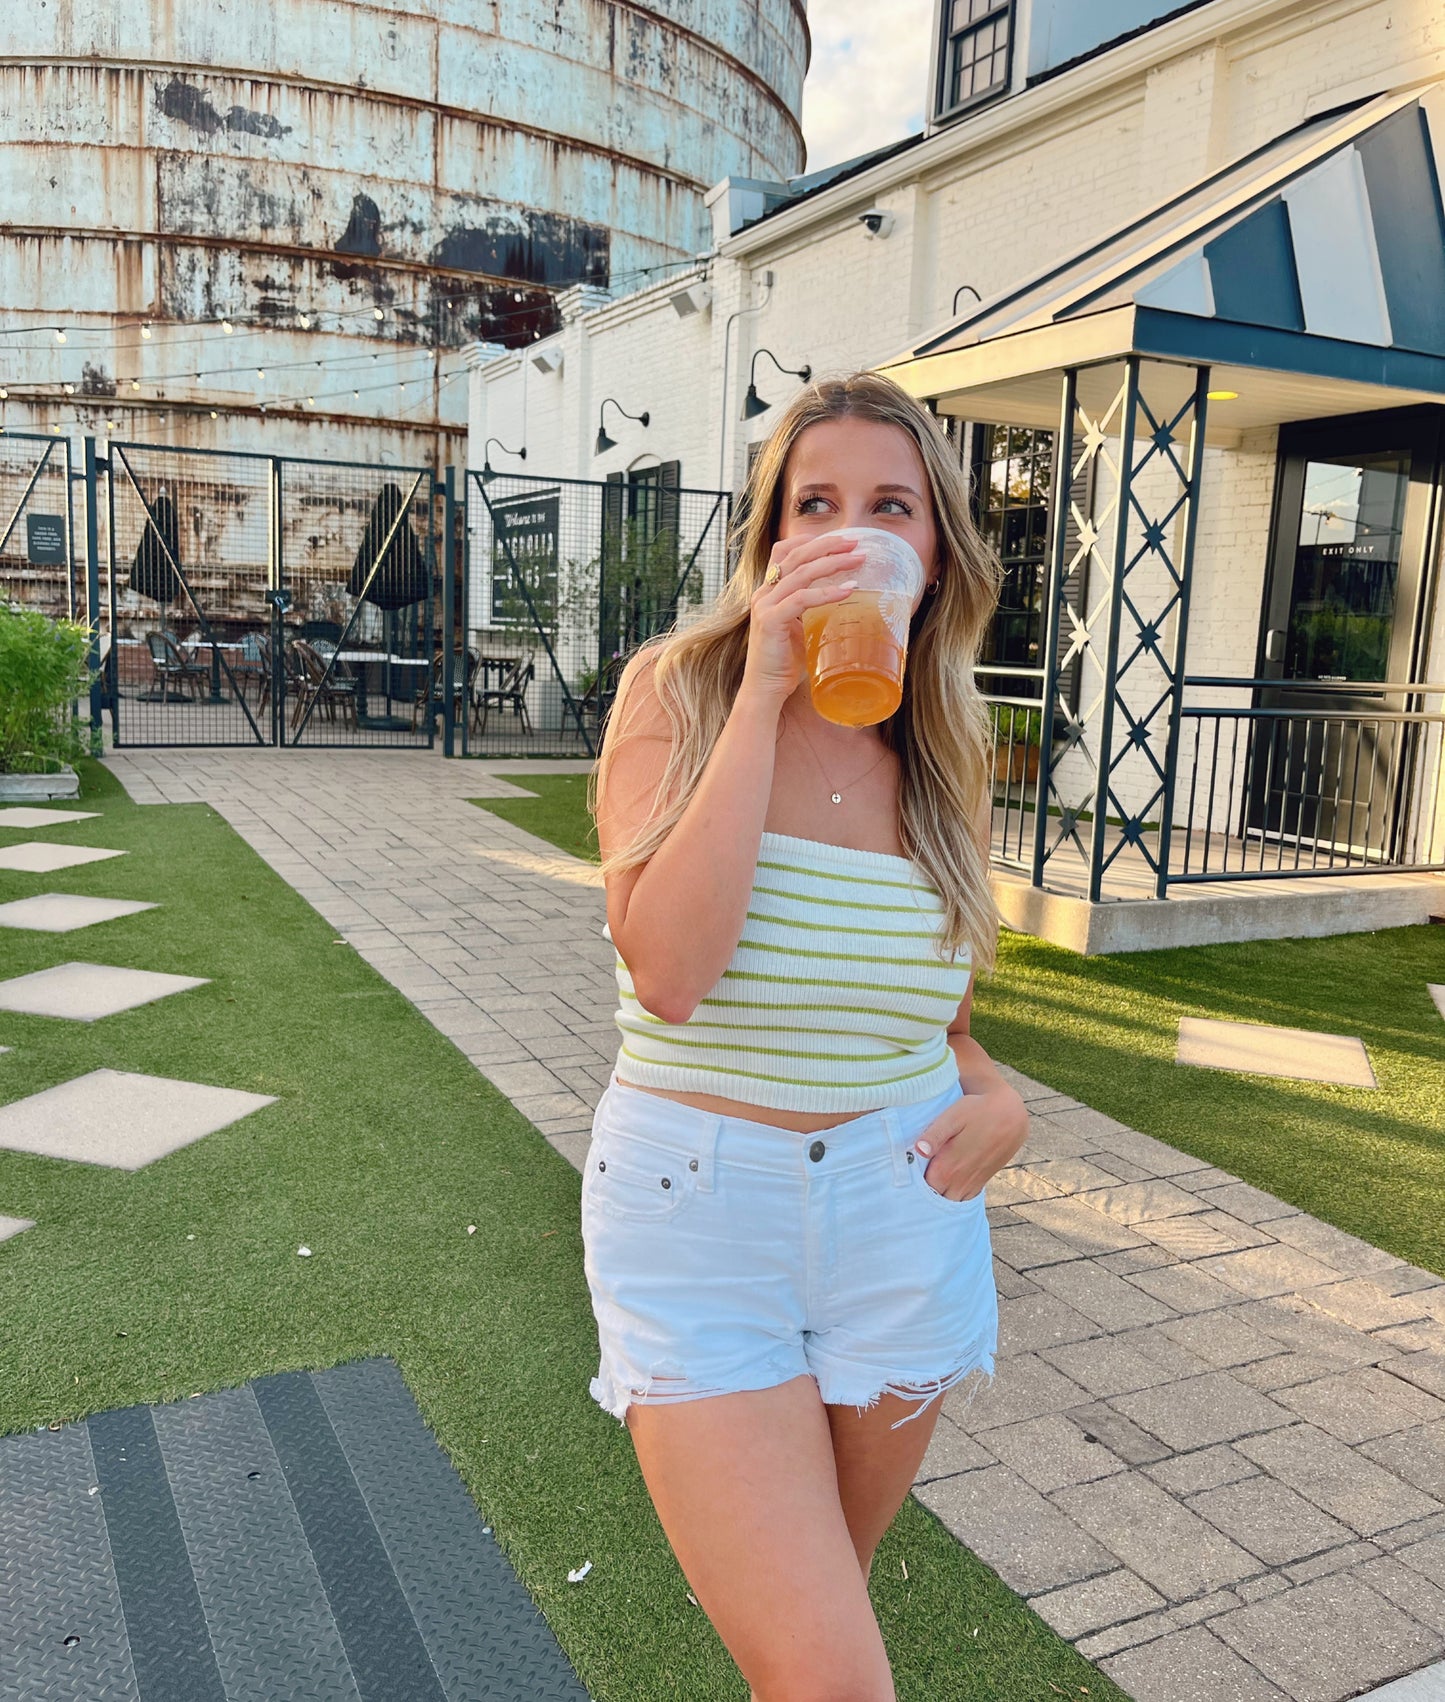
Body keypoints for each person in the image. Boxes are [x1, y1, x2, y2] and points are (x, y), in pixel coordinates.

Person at [582, 371, 1031, 1701]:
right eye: (811, 504)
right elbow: (668, 967)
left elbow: (935, 1021)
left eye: (887, 505)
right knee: (833, 1677)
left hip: (902, 1218)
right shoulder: (678, 691)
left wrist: (996, 1093)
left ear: (935, 549)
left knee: (812, 1635)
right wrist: (770, 678)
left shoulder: (948, 742)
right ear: (768, 539)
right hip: (699, 1217)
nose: (847, 532)